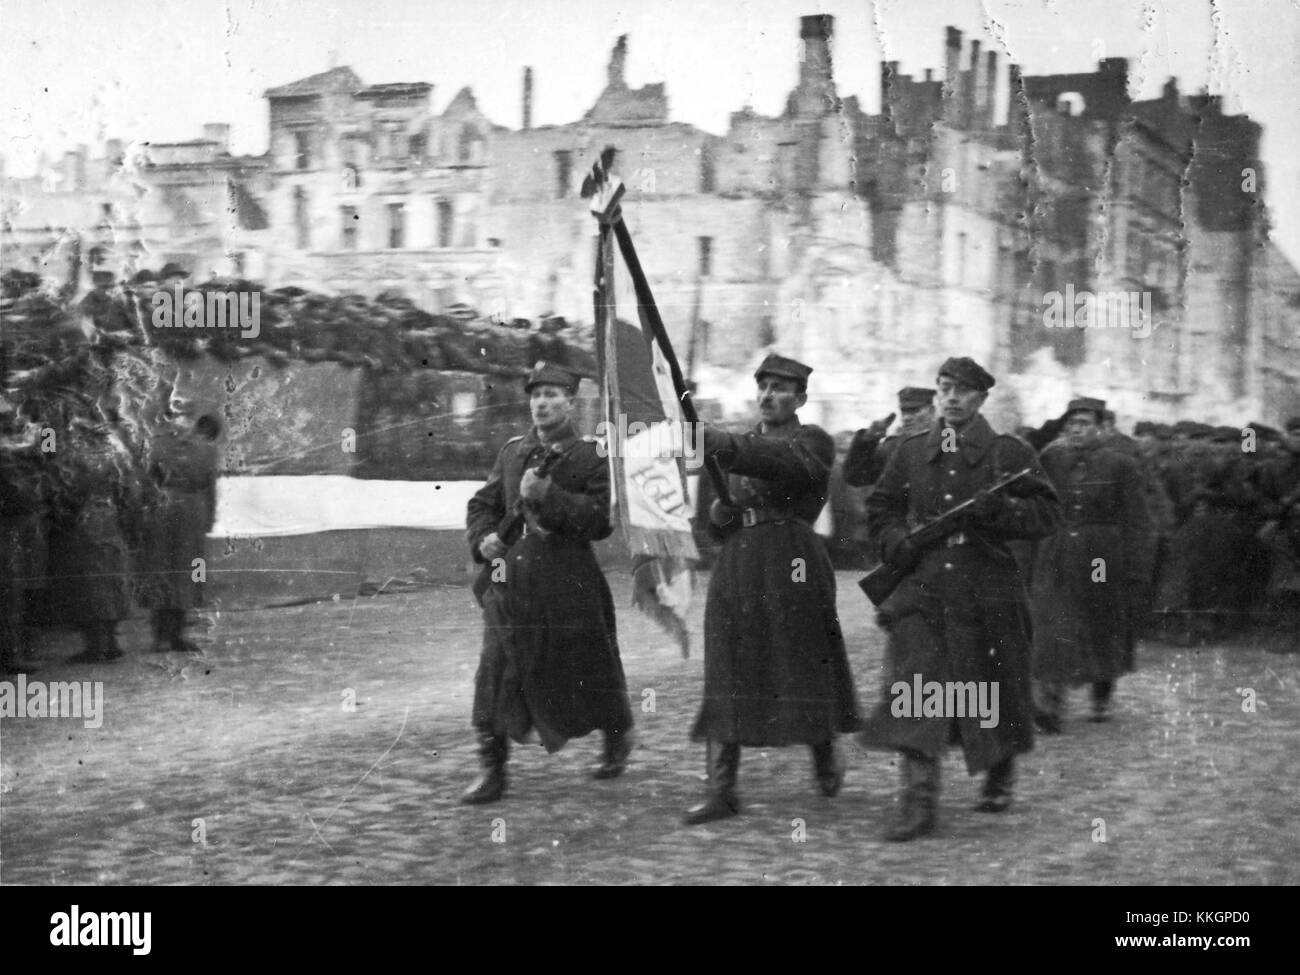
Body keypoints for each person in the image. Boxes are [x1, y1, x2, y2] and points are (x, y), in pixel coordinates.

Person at [860, 356, 1060, 841]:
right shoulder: (909, 451)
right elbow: (882, 506)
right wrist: (894, 542)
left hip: (986, 585)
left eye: (963, 390)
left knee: (991, 686)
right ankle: (918, 803)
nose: (951, 397)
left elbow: (1046, 514)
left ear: (982, 398)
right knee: (916, 687)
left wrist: (1004, 509)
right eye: (944, 387)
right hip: (923, 584)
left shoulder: (1008, 454)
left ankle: (998, 773)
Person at [683, 353, 860, 825]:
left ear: (800, 397)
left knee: (802, 659)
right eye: (762, 387)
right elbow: (711, 523)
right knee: (728, 665)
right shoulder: (735, 443)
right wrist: (720, 519)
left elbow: (794, 468)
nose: (768, 396)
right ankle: (722, 789)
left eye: (781, 389)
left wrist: (726, 445)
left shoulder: (812, 441)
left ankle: (824, 751)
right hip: (739, 562)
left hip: (793, 557)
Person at [461, 361, 633, 804]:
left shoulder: (591, 456)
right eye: (536, 395)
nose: (541, 403)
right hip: (513, 583)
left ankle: (617, 737)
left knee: (590, 666)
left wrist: (549, 498)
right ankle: (492, 768)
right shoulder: (513, 452)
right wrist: (483, 540)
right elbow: (483, 502)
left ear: (571, 403)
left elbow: (600, 522)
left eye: (552, 395)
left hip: (569, 580)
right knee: (496, 668)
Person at [1030, 397, 1153, 730]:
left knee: (1101, 619)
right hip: (1057, 549)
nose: (1076, 430)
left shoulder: (1121, 464)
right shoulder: (1051, 458)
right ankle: (1050, 703)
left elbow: (1137, 519)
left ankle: (1102, 692)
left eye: (1084, 424)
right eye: (1070, 424)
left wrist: (1136, 566)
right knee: (1052, 622)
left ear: (1101, 428)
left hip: (1101, 554)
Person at [140, 396, 221, 653]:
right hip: (179, 513)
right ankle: (168, 635)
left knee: (175, 572)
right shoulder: (202, 448)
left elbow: (209, 487)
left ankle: (170, 635)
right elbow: (208, 488)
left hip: (174, 512)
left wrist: (207, 520)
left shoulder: (157, 446)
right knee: (172, 572)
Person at [843, 386, 936, 490]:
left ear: (931, 411)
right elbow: (855, 477)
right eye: (904, 411)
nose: (906, 418)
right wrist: (869, 438)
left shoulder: (945, 440)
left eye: (914, 411)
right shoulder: (893, 446)